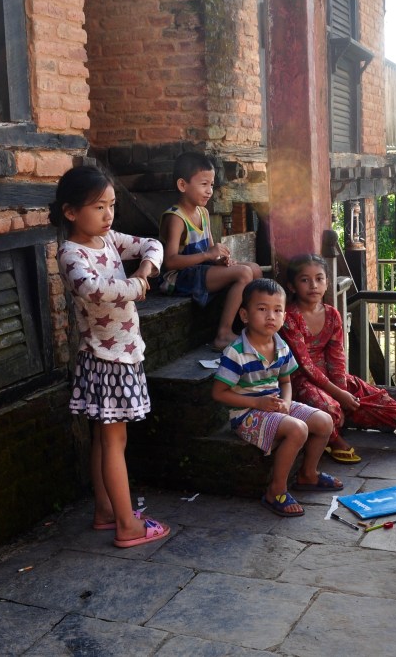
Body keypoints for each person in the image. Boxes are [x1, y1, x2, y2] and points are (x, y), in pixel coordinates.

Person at [51, 166, 170, 548]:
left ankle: (105, 511)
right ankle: (128, 525)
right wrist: (136, 285)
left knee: (105, 440)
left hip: (121, 354)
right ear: (71, 212)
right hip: (108, 360)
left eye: (112, 205)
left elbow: (153, 244)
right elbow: (92, 289)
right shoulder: (71, 253)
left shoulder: (110, 240)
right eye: (98, 207)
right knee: (114, 441)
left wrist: (146, 269)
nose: (108, 215)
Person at [212, 278, 343, 517]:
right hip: (247, 414)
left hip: (275, 404)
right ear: (244, 315)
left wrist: (286, 402)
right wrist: (256, 403)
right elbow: (218, 393)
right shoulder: (236, 352)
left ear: (284, 316)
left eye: (277, 310)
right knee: (298, 429)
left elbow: (285, 381)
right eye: (262, 309)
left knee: (325, 421)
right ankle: (276, 490)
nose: (270, 316)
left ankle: (308, 474)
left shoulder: (280, 345)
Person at [280, 253, 396, 464]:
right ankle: (333, 439)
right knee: (329, 407)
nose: (313, 285)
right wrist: (338, 396)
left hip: (331, 377)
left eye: (319, 279)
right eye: (305, 280)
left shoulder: (332, 314)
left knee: (375, 397)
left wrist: (342, 390)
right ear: (292, 286)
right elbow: (304, 365)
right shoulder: (289, 318)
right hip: (300, 380)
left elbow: (336, 357)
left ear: (327, 283)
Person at [159, 151, 262, 351]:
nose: (209, 191)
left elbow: (211, 252)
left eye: (212, 185)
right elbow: (170, 262)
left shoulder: (204, 213)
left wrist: (220, 260)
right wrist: (208, 255)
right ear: (183, 185)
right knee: (243, 273)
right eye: (204, 184)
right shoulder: (176, 218)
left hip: (200, 269)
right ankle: (223, 334)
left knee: (255, 269)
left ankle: (248, 327)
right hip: (179, 277)